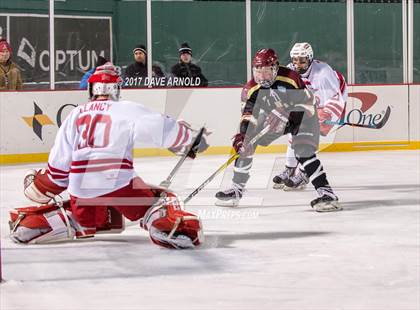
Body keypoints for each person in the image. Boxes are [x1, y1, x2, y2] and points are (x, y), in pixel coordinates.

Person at [8, 63, 209, 249]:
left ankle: (33, 224)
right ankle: (170, 229)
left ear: (91, 88)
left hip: (82, 189)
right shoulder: (126, 109)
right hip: (120, 185)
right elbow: (161, 129)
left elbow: (59, 168)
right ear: (117, 89)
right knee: (161, 199)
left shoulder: (75, 114)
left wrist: (43, 186)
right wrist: (191, 139)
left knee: (86, 214)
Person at [215, 48, 341, 212]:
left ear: (275, 68)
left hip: (303, 118)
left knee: (303, 151)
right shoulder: (251, 89)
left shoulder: (290, 78)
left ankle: (327, 194)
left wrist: (287, 114)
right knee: (247, 142)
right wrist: (242, 136)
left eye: (267, 71)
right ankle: (236, 189)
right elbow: (248, 115)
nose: (262, 76)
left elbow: (309, 105)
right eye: (258, 71)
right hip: (274, 118)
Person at [272, 42, 347, 192]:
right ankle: (290, 169)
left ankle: (304, 173)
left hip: (332, 98)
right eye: (295, 60)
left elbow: (336, 98)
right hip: (311, 102)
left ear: (310, 59)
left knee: (311, 135)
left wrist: (324, 113)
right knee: (295, 131)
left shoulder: (323, 74)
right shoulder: (289, 72)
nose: (297, 64)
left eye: (302, 60)